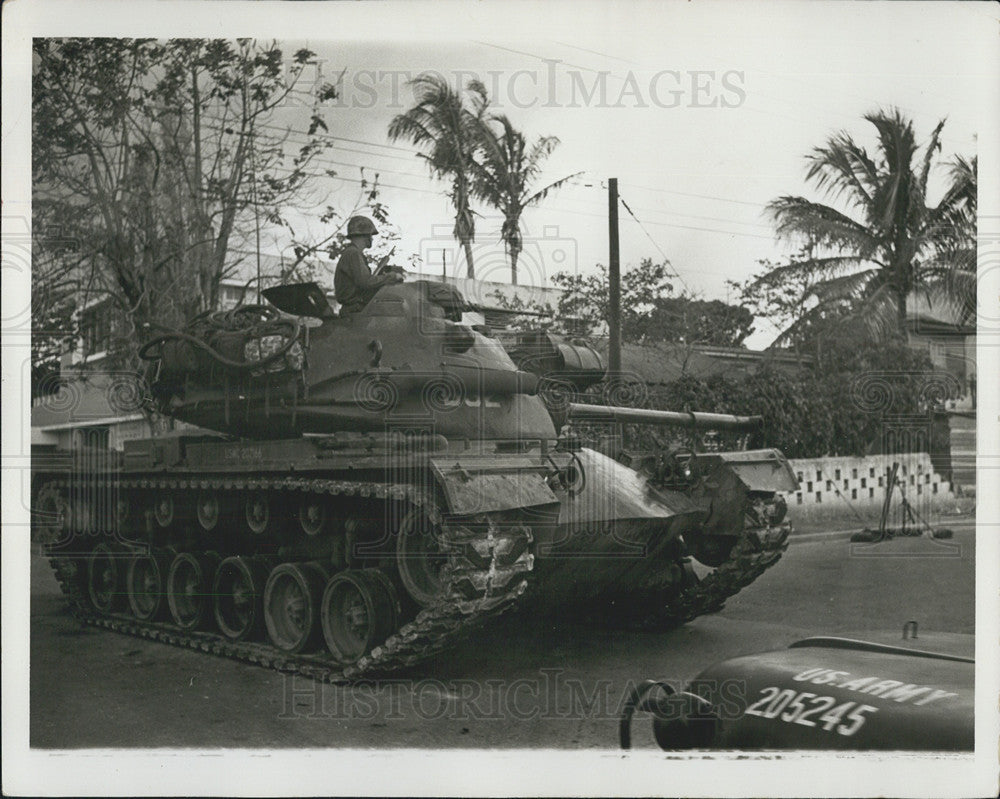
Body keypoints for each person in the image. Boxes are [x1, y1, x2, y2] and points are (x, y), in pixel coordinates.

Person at [334, 216, 403, 315]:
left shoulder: (351, 253)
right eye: (370, 235)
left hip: (353, 310)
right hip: (355, 311)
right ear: (365, 235)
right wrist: (392, 276)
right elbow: (366, 282)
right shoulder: (353, 253)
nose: (371, 239)